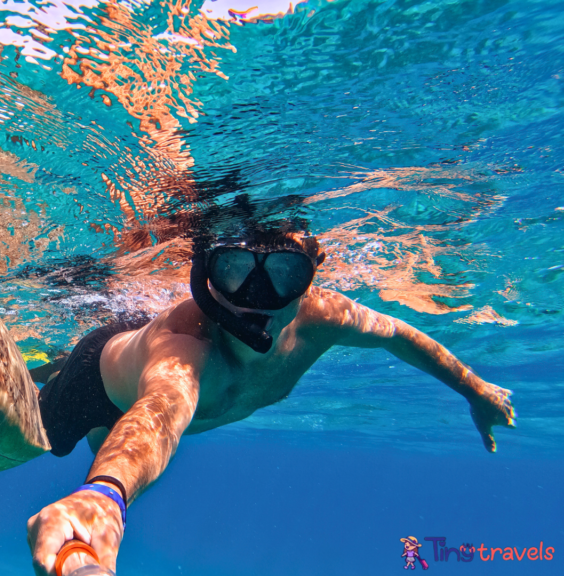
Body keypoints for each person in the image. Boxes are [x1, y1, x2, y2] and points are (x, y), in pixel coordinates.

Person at [28, 227, 515, 576]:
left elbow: (398, 335)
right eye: (235, 270)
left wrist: (476, 388)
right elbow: (161, 410)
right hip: (97, 380)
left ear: (309, 277)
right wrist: (104, 496)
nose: (256, 296)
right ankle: (50, 362)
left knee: (94, 445)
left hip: (121, 415)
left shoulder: (324, 317)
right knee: (25, 437)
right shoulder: (186, 341)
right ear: (209, 275)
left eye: (283, 273)